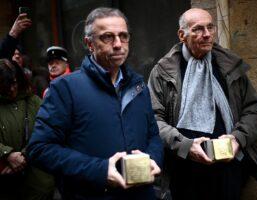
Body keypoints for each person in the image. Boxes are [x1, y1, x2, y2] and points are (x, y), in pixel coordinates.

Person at [27, 7, 163, 200]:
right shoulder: (65, 88)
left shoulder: (138, 85)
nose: (118, 44)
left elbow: (153, 136)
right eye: (107, 37)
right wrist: (100, 170)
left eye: (123, 36)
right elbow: (39, 149)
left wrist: (153, 159)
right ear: (89, 43)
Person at [148, 8, 257, 200]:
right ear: (182, 35)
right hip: (185, 168)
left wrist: (238, 139)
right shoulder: (164, 71)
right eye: (198, 29)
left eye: (210, 27)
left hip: (228, 167)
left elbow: (253, 108)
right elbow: (152, 119)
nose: (206, 34)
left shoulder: (229, 65)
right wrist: (185, 145)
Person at [0, 59, 55, 200]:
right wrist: (7, 154)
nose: (12, 89)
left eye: (13, 83)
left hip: (39, 185)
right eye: (5, 85)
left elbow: (48, 131)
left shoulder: (33, 101)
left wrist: (23, 156)